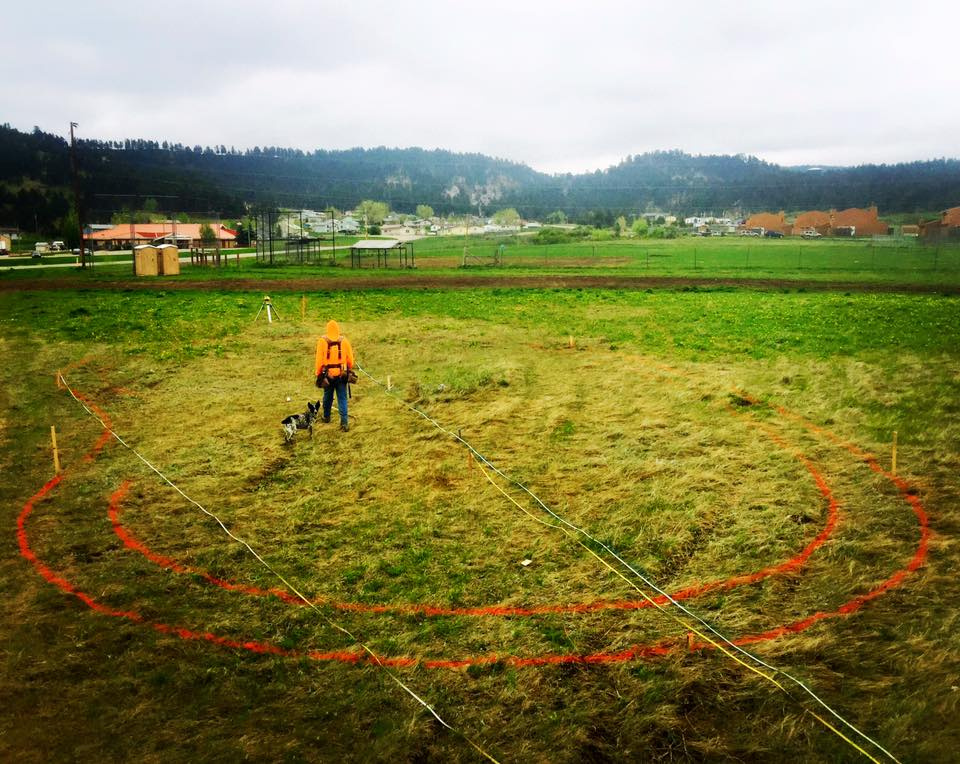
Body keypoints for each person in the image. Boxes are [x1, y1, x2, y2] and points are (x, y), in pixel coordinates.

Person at [315, 320, 356, 432]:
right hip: (341, 375)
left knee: (327, 396)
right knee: (342, 398)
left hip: (327, 376)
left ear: (327, 329)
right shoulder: (344, 341)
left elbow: (319, 359)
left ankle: (326, 417)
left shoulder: (322, 341)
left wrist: (318, 373)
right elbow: (350, 360)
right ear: (338, 329)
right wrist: (348, 369)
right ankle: (344, 423)